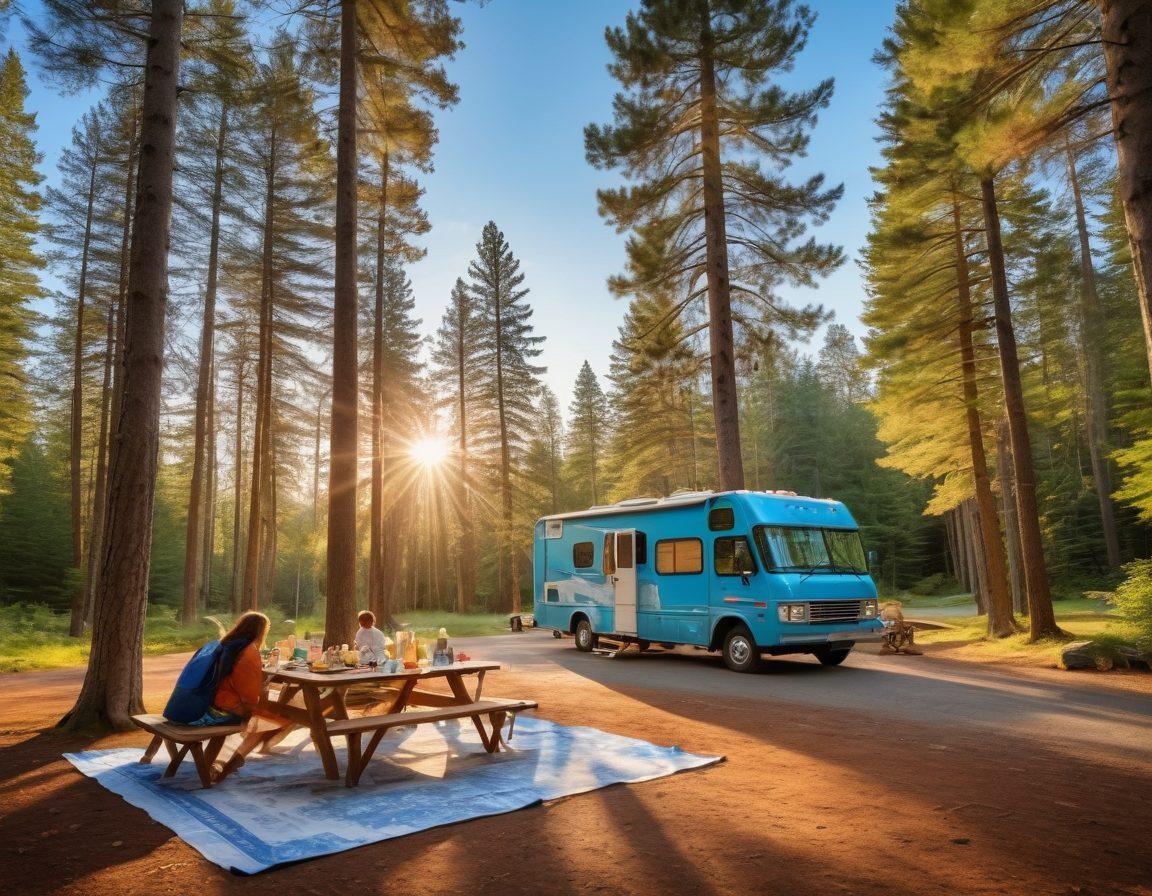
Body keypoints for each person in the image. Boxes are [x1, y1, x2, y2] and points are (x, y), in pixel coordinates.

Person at [187, 611, 270, 727]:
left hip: (208, 704)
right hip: (228, 710)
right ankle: (250, 745)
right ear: (261, 631)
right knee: (276, 717)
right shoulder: (249, 651)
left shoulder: (224, 644)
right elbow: (249, 696)